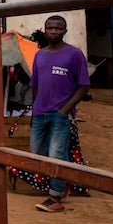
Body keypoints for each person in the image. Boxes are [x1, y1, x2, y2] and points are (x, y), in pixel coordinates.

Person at [28, 14, 89, 213]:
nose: (54, 31)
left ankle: (55, 196)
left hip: (61, 113)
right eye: (50, 28)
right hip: (40, 112)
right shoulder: (40, 55)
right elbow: (35, 85)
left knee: (56, 153)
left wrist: (65, 109)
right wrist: (34, 108)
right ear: (45, 30)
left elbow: (83, 86)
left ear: (65, 31)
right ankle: (63, 182)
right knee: (37, 152)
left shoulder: (74, 54)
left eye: (58, 28)